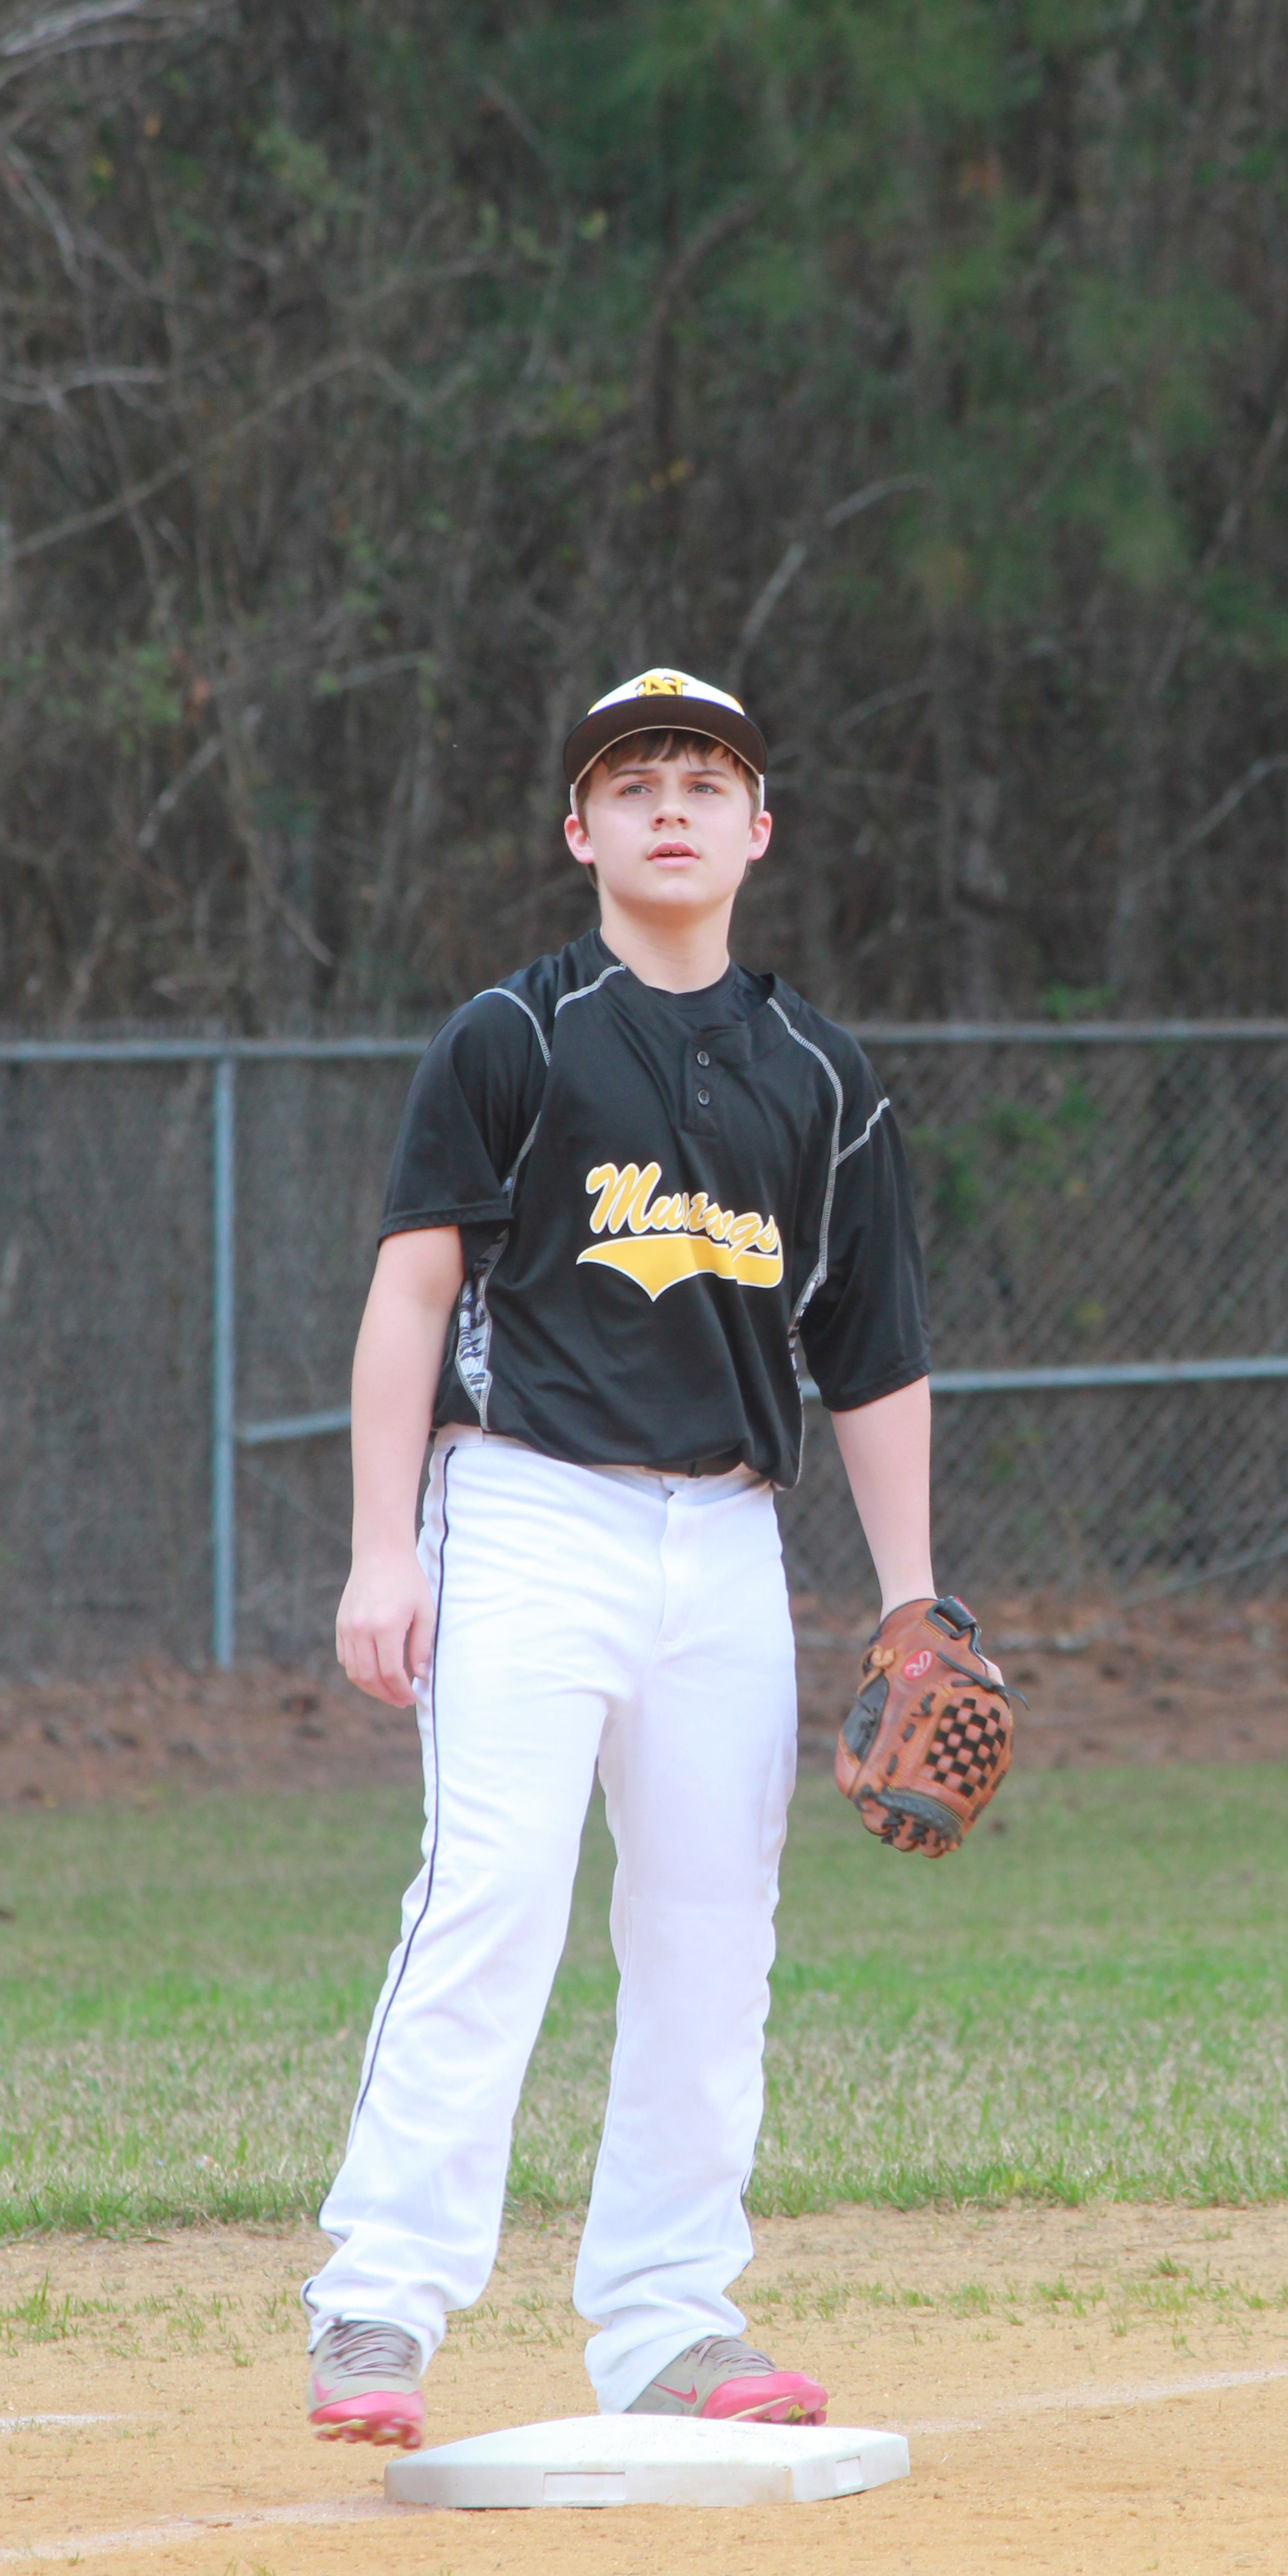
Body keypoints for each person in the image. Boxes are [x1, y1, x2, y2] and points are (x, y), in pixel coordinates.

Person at [302, 666, 939, 2449]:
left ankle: (670, 2319)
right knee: (490, 1897)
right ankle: (377, 2302)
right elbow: (413, 1290)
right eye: (635, 779)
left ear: (758, 829)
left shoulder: (824, 1079)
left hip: (728, 1539)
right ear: (581, 830)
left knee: (709, 1932)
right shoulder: (514, 1037)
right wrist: (379, 1548)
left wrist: (911, 1600)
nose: (672, 804)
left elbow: (871, 1358)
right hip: (526, 1509)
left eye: (707, 778)